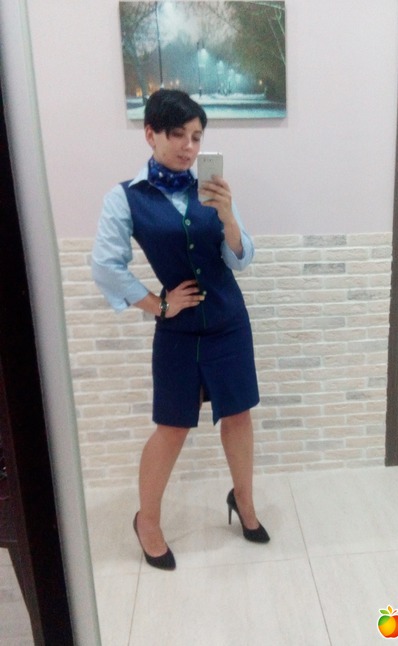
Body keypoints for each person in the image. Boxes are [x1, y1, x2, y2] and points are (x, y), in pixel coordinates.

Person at [91, 89, 269, 571]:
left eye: (196, 137)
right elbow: (105, 265)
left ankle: (244, 501)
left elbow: (241, 258)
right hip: (178, 331)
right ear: (150, 134)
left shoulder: (211, 189)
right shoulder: (126, 197)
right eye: (178, 135)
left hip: (229, 323)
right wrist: (158, 305)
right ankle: (147, 521)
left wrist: (228, 216)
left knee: (238, 415)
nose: (189, 147)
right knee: (172, 425)